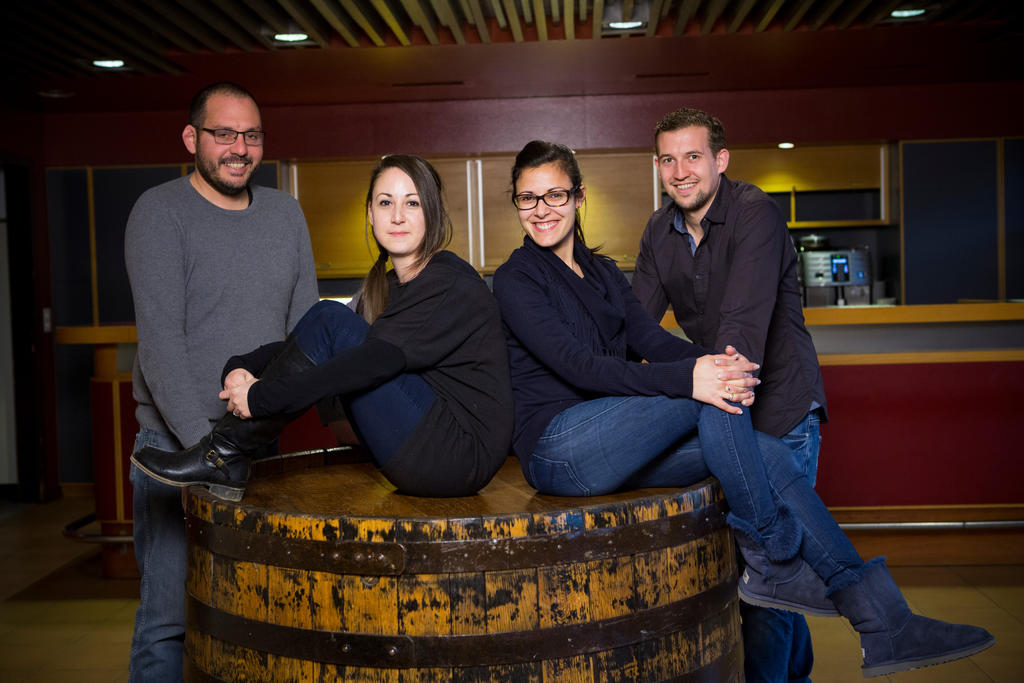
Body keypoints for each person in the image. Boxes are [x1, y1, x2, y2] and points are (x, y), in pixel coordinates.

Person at [492, 140, 994, 679]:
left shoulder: (604, 271)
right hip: (562, 449)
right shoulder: (517, 277)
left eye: (555, 194)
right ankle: (774, 555)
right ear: (516, 205)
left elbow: (654, 343)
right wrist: (698, 377)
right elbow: (581, 368)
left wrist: (717, 366)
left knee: (764, 447)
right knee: (705, 390)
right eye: (527, 198)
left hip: (621, 439)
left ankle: (883, 621)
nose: (542, 208)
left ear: (579, 197)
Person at [132, 153, 513, 502]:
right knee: (329, 319)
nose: (397, 216)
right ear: (370, 214)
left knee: (331, 320)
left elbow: (368, 361)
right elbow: (320, 344)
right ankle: (226, 454)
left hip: (457, 455)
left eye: (412, 202)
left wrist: (262, 396)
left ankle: (222, 454)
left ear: (432, 212)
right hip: (424, 449)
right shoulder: (386, 287)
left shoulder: (447, 281)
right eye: (385, 202)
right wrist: (244, 365)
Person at [124, 82, 319, 682]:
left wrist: (259, 432)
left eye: (251, 134)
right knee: (168, 620)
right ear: (192, 139)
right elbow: (161, 348)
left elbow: (305, 334)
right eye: (224, 133)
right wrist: (204, 456)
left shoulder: (286, 213)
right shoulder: (159, 212)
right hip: (175, 450)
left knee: (261, 618)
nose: (239, 147)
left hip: (260, 448)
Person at [631, 108, 827, 682]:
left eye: (693, 157)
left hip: (781, 411)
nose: (679, 171)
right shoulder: (657, 232)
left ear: (720, 160)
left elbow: (741, 330)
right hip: (725, 412)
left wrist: (700, 379)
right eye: (668, 159)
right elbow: (632, 328)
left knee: (767, 579)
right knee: (771, 568)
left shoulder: (755, 213)